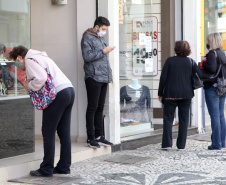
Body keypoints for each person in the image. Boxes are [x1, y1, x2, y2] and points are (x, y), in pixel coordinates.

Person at [9, 46, 75, 177]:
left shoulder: (29, 60)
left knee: (47, 131)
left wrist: (29, 86)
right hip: (68, 90)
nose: (17, 65)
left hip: (57, 94)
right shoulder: (41, 56)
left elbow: (41, 78)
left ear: (20, 57)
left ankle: (46, 168)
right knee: (64, 131)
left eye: (16, 61)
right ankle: (64, 166)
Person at [158, 40, 201, 150]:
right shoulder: (191, 62)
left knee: (168, 119)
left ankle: (167, 144)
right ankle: (181, 145)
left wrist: (160, 93)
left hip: (170, 94)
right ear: (188, 50)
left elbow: (163, 78)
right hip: (186, 95)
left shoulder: (170, 61)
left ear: (176, 49)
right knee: (184, 120)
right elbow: (200, 74)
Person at [81, 16, 115, 148]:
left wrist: (109, 76)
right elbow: (87, 57)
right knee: (92, 107)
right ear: (96, 27)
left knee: (100, 107)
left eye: (106, 29)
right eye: (103, 29)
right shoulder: (87, 37)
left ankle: (99, 136)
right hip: (93, 77)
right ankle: (90, 138)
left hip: (103, 77)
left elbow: (104, 60)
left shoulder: (101, 38)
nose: (104, 31)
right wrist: (104, 51)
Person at [200, 33, 226, 150]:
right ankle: (222, 142)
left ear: (211, 41)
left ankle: (216, 144)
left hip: (212, 88)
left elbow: (211, 68)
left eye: (208, 41)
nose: (207, 43)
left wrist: (203, 63)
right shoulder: (222, 53)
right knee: (221, 116)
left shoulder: (212, 53)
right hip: (223, 88)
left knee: (214, 116)